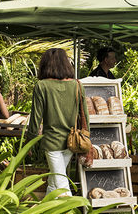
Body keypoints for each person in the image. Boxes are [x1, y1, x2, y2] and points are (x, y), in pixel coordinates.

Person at [27, 48, 96, 195]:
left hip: (52, 142)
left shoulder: (42, 86)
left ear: (45, 64)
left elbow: (35, 118)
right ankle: (48, 213)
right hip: (72, 142)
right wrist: (86, 137)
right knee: (55, 180)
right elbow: (85, 116)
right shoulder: (77, 85)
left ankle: (70, 213)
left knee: (60, 181)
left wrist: (30, 141)